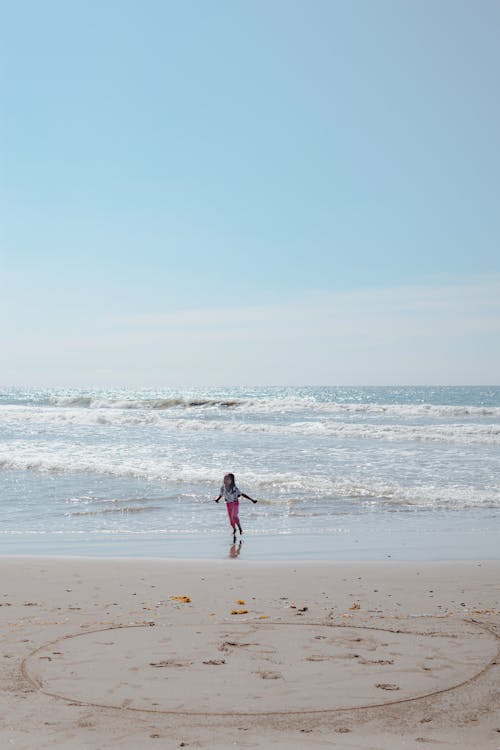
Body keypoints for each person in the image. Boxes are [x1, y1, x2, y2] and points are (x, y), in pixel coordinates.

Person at [214, 473, 257, 538]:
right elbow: (221, 495)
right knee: (231, 519)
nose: (225, 480)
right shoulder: (223, 488)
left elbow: (242, 494)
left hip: (235, 503)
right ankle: (234, 529)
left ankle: (240, 529)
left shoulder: (234, 488)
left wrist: (252, 500)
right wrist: (217, 499)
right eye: (224, 479)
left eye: (227, 479)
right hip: (228, 504)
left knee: (234, 516)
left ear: (232, 481)